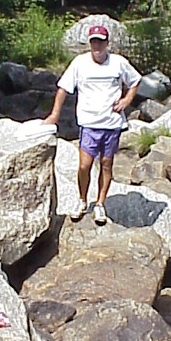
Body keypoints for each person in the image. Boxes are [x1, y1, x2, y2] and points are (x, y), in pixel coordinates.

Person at [44, 23, 141, 225]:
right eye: (94, 41)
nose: (97, 45)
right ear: (90, 43)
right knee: (84, 165)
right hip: (89, 123)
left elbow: (135, 81)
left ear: (107, 43)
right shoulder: (80, 63)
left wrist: (126, 101)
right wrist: (54, 115)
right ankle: (82, 200)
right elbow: (63, 88)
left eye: (101, 41)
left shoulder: (118, 63)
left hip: (112, 123)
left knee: (106, 164)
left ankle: (100, 204)